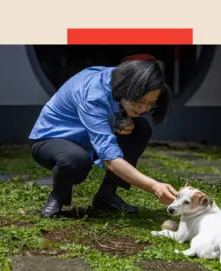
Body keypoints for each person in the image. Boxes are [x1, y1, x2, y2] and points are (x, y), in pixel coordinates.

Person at [29, 54, 178, 218]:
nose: (143, 108)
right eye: (140, 101)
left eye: (151, 104)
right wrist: (154, 186)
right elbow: (111, 160)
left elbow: (113, 109)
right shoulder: (94, 94)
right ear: (127, 87)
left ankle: (107, 196)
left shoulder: (120, 78)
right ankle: (58, 197)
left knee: (140, 129)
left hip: (90, 140)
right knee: (75, 159)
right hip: (50, 140)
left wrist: (124, 118)